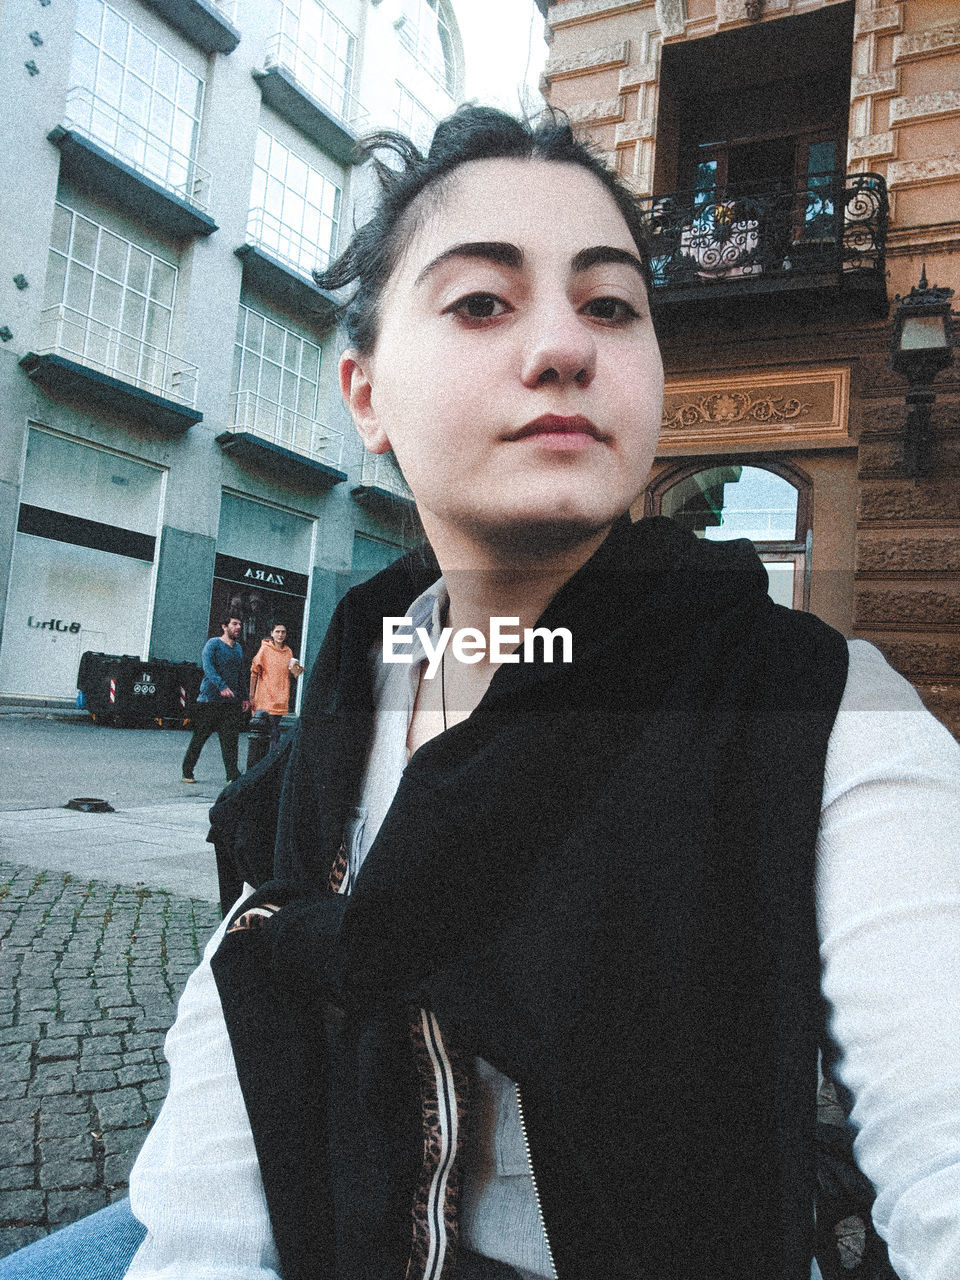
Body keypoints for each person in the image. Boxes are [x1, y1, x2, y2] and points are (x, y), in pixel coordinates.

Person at [2, 106, 959, 1280]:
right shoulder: (355, 670)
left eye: (612, 304)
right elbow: (243, 1026)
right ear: (365, 395)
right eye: (480, 302)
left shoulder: (809, 704)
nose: (565, 346)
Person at [180, 614, 250, 784]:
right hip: (209, 701)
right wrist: (222, 686)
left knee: (230, 740)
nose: (238, 627)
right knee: (200, 737)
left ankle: (232, 775)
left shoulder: (238, 648)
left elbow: (240, 674)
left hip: (230, 703)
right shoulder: (213, 644)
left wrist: (245, 697)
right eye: (234, 624)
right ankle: (187, 771)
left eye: (240, 624)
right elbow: (208, 668)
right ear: (224, 627)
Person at [249, 622, 304, 750]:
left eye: (283, 632)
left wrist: (298, 669)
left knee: (274, 730)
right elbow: (254, 672)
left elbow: (291, 673)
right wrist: (251, 696)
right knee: (272, 731)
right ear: (271, 634)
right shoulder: (265, 649)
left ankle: (268, 759)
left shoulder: (288, 651)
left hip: (280, 697)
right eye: (277, 631)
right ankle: (268, 760)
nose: (280, 635)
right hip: (265, 697)